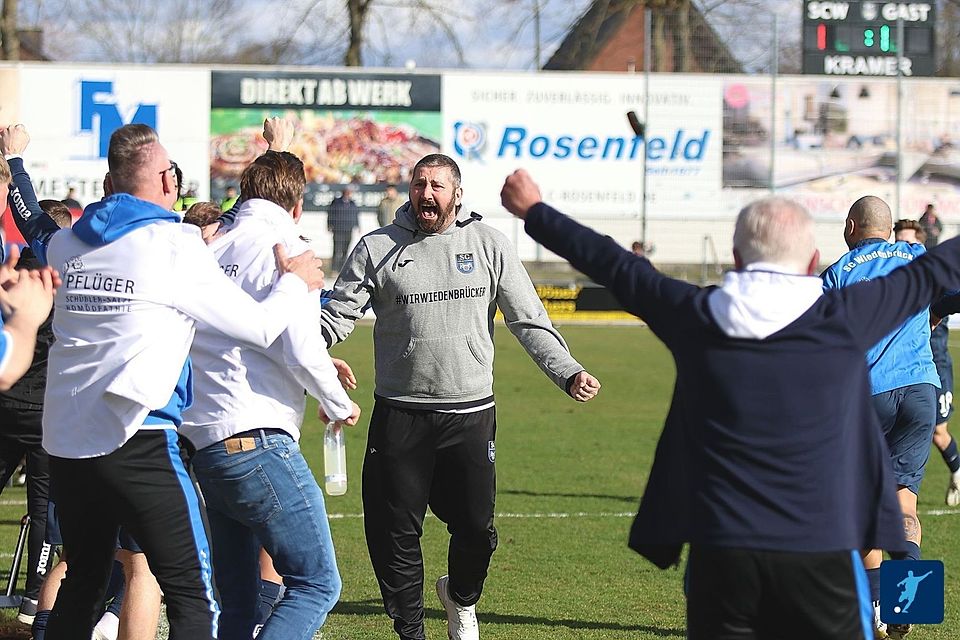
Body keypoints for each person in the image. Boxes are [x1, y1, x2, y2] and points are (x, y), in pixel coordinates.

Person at [497, 168, 958, 639]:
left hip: (722, 554)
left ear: (736, 257)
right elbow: (939, 267)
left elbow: (616, 266)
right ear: (812, 260)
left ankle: (899, 602)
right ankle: (902, 605)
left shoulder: (700, 316)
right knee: (902, 503)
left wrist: (534, 211)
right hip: (820, 551)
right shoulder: (847, 316)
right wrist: (536, 211)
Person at [7, 122, 326, 640]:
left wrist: (16, 165)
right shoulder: (175, 245)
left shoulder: (67, 244)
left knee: (84, 583)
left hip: (67, 442)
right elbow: (261, 326)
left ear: (110, 181)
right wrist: (295, 282)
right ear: (165, 180)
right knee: (194, 599)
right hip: (141, 438)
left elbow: (32, 223)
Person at [319, 154, 600, 640]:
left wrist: (567, 370)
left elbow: (528, 318)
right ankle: (411, 631)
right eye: (419, 184)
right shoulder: (376, 247)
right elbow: (337, 316)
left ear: (457, 193)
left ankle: (461, 597)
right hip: (400, 414)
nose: (426, 193)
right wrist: (298, 349)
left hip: (469, 415)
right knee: (395, 535)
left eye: (437, 185)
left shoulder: (488, 244)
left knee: (475, 529)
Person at [182, 133, 361, 639]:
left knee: (237, 602)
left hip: (204, 443)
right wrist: (337, 402)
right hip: (256, 439)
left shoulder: (213, 245)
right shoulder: (291, 249)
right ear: (297, 206)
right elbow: (300, 347)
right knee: (316, 585)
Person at [822, 197, 939, 639]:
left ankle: (875, 605)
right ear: (890, 229)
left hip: (868, 394)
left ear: (851, 226)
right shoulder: (918, 256)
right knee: (904, 502)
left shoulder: (838, 273)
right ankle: (908, 603)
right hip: (921, 390)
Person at [0, 197, 71, 627]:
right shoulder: (63, 277)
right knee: (44, 506)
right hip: (45, 411)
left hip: (7, 400)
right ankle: (33, 598)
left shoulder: (13, 277)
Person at [895, 219, 960, 506]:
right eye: (898, 242)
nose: (903, 248)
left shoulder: (934, 279)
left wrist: (935, 315)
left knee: (939, 433)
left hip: (936, 367)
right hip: (900, 373)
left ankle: (957, 472)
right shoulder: (890, 282)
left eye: (909, 242)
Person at [327, 186, 359, 271]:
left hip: (348, 229)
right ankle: (334, 269)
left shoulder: (352, 203)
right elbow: (330, 214)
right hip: (338, 229)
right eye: (346, 192)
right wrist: (329, 225)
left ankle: (342, 269)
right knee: (337, 250)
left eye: (349, 192)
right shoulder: (336, 202)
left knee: (346, 250)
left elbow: (355, 215)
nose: (348, 194)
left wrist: (357, 226)